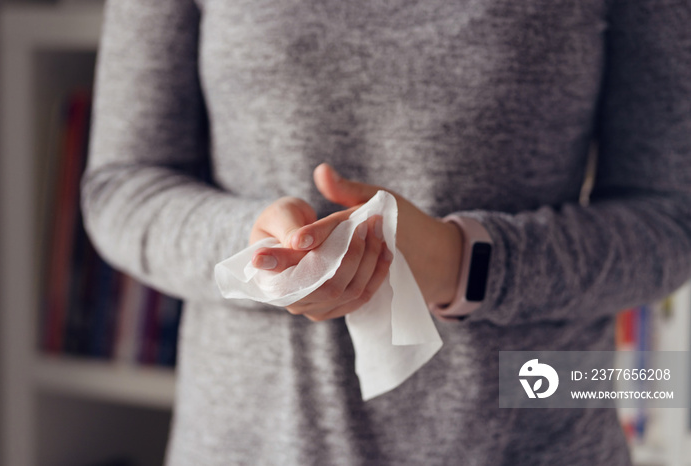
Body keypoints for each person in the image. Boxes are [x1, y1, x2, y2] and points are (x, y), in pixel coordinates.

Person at [82, 0, 691, 464]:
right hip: (254, 441)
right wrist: (255, 249)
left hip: (528, 435)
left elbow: (671, 217)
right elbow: (123, 186)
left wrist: (468, 263)